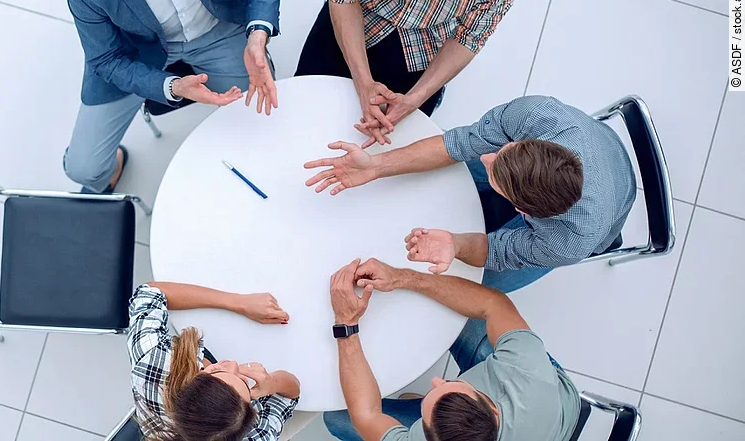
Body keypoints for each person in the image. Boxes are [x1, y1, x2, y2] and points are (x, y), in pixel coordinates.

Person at [304, 95, 637, 295]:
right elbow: (460, 144)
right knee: (459, 159)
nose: (487, 158)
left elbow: (498, 250)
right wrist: (375, 166)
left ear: (522, 210)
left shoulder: (569, 241)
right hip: (599, 143)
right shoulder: (535, 115)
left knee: (478, 282)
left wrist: (457, 245)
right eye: (504, 152)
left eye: (495, 173)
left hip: (610, 207)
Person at [61, 0, 283, 193]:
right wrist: (172, 87)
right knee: (83, 169)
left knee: (258, 116)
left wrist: (257, 34)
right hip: (137, 53)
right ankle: (112, 169)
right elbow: (106, 58)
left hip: (217, 29)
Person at [324, 258, 582, 441]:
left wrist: (346, 323)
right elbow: (495, 304)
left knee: (336, 419)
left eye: (434, 389)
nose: (435, 380)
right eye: (446, 385)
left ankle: (424, 406)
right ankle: (423, 406)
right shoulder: (525, 371)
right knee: (458, 309)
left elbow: (366, 415)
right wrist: (403, 277)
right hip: (552, 404)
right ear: (493, 410)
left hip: (535, 413)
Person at [295, 0, 516, 148]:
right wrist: (363, 83)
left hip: (428, 37)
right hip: (362, 8)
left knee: (400, 140)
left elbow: (468, 38)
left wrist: (414, 100)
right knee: (303, 103)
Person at [128, 281, 300, 440]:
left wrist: (239, 302)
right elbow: (290, 395)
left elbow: (150, 293)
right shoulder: (256, 436)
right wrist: (272, 383)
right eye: (243, 382)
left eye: (215, 371)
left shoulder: (152, 364)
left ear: (191, 383)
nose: (233, 364)